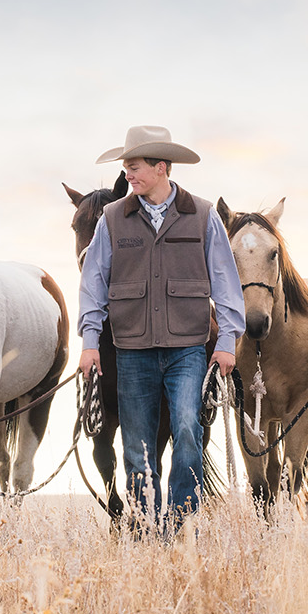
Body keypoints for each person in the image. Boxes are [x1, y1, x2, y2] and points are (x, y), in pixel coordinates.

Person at [76, 125, 245, 534]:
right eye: (127, 168)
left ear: (161, 168)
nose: (128, 176)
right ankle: (144, 521)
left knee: (188, 429)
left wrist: (226, 341)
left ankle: (179, 518)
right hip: (132, 349)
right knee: (136, 443)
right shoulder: (112, 219)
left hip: (187, 347)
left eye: (134, 168)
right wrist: (89, 341)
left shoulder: (203, 216)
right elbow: (93, 282)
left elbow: (225, 281)